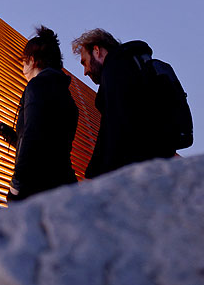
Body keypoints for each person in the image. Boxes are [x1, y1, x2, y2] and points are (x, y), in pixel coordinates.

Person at [0, 26, 79, 201]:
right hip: (64, 185)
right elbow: (40, 143)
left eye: (23, 61)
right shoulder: (65, 95)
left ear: (32, 60)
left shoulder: (36, 86)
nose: (23, 67)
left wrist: (15, 187)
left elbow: (31, 139)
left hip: (40, 189)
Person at [72, 29, 178, 178]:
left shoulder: (114, 71)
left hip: (134, 172)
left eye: (85, 62)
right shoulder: (136, 66)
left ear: (97, 51)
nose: (85, 71)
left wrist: (95, 176)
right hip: (158, 163)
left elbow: (115, 131)